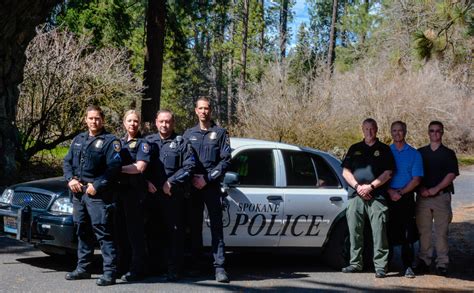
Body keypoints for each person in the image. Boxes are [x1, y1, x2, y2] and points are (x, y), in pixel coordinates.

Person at [63, 105, 122, 286]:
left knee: (102, 231)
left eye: (97, 118)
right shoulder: (78, 139)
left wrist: (96, 185)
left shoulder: (110, 141)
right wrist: (70, 179)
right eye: (91, 118)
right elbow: (67, 161)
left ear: (102, 119)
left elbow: (114, 168)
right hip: (78, 193)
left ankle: (109, 272)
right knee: (82, 230)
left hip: (98, 194)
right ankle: (83, 268)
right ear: (85, 119)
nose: (94, 121)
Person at [183, 97, 231, 283]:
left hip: (211, 187)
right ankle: (196, 265)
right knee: (194, 227)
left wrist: (208, 178)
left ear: (211, 110)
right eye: (200, 108)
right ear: (196, 111)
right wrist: (192, 178)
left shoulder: (220, 133)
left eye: (207, 108)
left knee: (216, 228)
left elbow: (226, 160)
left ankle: (219, 268)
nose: (203, 111)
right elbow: (184, 159)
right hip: (193, 187)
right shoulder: (188, 134)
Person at [341, 118, 395, 278]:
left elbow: (388, 173)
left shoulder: (384, 149)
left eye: (372, 128)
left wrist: (370, 187)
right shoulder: (354, 148)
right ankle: (355, 263)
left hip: (377, 196)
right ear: (362, 130)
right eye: (366, 129)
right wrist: (358, 187)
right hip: (355, 196)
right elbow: (345, 172)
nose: (369, 131)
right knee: (354, 231)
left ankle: (380, 266)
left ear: (376, 129)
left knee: (379, 232)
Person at [146, 110, 195, 281]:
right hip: (151, 195)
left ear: (173, 123)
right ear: (156, 122)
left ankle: (174, 269)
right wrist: (146, 182)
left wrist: (171, 182)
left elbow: (189, 167)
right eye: (161, 121)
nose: (164, 125)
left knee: (174, 234)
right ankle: (155, 266)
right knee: (153, 231)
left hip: (172, 196)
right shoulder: (148, 141)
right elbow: (139, 164)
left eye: (167, 122)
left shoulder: (181, 142)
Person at [416, 121, 459, 276]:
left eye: (438, 131)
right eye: (432, 131)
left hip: (441, 197)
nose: (434, 133)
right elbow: (415, 174)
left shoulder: (448, 153)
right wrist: (422, 189)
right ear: (428, 133)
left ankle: (442, 263)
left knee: (441, 232)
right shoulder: (420, 152)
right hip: (423, 197)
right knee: (424, 231)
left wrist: (435, 189)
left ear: (442, 133)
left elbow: (451, 175)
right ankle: (424, 261)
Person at [116, 110, 150, 282]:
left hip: (134, 194)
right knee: (120, 232)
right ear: (124, 123)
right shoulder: (119, 143)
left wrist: (118, 170)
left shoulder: (143, 144)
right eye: (129, 121)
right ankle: (122, 266)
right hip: (119, 193)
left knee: (134, 234)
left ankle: (137, 269)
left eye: (136, 121)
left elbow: (140, 167)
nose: (132, 124)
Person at [387, 121, 423, 278]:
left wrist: (400, 193)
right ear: (391, 133)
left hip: (406, 196)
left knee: (408, 233)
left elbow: (416, 180)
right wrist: (390, 192)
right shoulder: (386, 152)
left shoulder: (414, 154)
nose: (397, 133)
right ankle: (386, 264)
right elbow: (380, 176)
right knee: (387, 231)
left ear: (405, 132)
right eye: (394, 131)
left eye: (400, 130)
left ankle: (407, 265)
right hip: (388, 195)